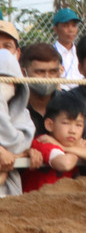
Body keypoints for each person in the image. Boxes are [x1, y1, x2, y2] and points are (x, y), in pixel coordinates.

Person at [21, 93, 86, 193]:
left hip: (66, 200)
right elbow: (65, 164)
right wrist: (76, 152)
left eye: (79, 125)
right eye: (66, 123)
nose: (73, 130)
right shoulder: (43, 141)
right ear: (49, 125)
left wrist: (66, 148)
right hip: (38, 199)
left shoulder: (78, 144)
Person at [0, 50, 37, 196]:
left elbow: (17, 145)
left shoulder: (24, 116)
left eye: (8, 79)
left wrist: (11, 155)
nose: (3, 84)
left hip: (11, 192)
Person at [18, 43, 63, 136]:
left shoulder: (68, 103)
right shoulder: (13, 104)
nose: (47, 77)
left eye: (53, 71)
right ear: (23, 73)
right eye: (40, 72)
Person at [51, 8, 83, 87]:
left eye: (74, 25)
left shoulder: (81, 53)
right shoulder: (49, 54)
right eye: (65, 26)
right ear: (55, 29)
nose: (71, 30)